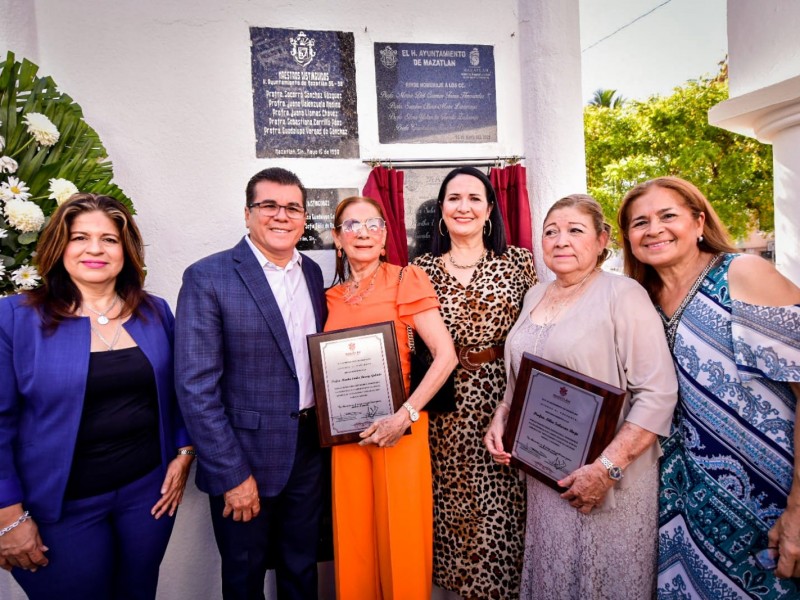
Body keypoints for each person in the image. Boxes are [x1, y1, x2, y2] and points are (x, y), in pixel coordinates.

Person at [0, 193, 193, 600]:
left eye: (109, 239)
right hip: (60, 507)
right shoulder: (15, 319)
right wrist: (8, 514)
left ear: (126, 251)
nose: (94, 249)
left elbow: (180, 391)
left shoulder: (155, 312)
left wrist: (184, 451)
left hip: (147, 497)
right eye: (79, 237)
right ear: (59, 246)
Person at [485, 194, 678, 599]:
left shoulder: (622, 294)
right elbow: (520, 381)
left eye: (575, 231)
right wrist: (502, 416)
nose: (561, 241)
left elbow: (658, 393)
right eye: (551, 232)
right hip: (546, 475)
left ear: (601, 239)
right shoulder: (535, 295)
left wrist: (607, 468)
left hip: (607, 479)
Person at [618, 176, 800, 598]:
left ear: (699, 222)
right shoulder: (641, 300)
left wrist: (798, 509)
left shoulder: (743, 274)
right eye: (639, 222)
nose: (654, 229)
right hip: (683, 509)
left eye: (668, 216)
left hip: (769, 499)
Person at [175, 167, 327, 600]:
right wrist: (231, 473)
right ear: (247, 214)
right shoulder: (209, 276)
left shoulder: (311, 272)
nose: (281, 216)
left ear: (303, 218)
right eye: (269, 206)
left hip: (308, 449)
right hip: (244, 456)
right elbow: (195, 386)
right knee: (244, 578)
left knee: (302, 569)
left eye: (292, 208)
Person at [412, 166, 536, 599]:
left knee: (503, 510)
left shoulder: (519, 261)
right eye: (453, 198)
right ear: (441, 211)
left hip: (505, 398)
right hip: (444, 408)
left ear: (489, 210)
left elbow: (539, 335)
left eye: (474, 198)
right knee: (454, 512)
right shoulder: (420, 268)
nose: (463, 206)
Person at [325, 196, 457, 600]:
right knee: (354, 541)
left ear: (385, 239)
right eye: (351, 225)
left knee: (401, 541)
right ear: (337, 239)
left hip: (401, 430)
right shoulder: (329, 296)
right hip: (347, 438)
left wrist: (406, 415)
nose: (363, 232)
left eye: (373, 225)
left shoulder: (406, 278)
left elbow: (446, 355)